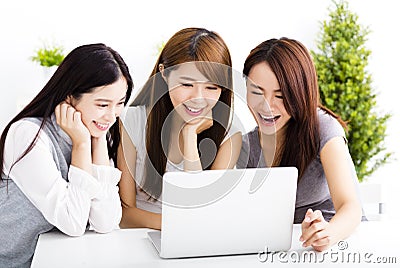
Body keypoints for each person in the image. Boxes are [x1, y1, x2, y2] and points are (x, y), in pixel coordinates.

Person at [0, 43, 133, 267]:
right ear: (70, 97)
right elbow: (73, 222)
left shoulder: (96, 132)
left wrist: (98, 142)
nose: (112, 116)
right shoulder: (29, 134)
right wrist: (82, 145)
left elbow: (105, 221)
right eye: (102, 104)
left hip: (53, 260)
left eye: (119, 103)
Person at [237, 37, 362, 252]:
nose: (267, 106)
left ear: (300, 93)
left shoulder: (323, 129)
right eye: (257, 92)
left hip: (333, 248)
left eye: (280, 95)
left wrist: (327, 233)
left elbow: (350, 207)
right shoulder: (245, 145)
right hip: (274, 249)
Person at [118, 27, 241, 230]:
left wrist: (190, 135)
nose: (198, 98)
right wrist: (178, 225)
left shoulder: (230, 132)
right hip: (138, 238)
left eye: (212, 87)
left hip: (196, 240)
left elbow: (202, 210)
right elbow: (125, 213)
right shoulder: (133, 121)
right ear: (164, 75)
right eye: (186, 84)